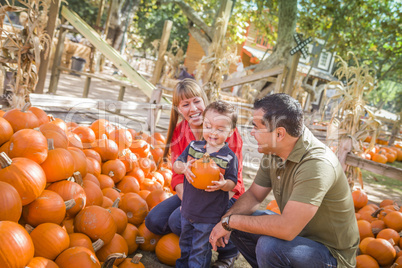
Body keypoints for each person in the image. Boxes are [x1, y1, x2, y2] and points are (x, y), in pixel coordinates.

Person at [209, 93, 359, 268]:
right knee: (232, 211)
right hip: (297, 238)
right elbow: (255, 196)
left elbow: (286, 229)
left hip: (331, 256)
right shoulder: (274, 150)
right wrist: (226, 220)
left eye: (256, 127)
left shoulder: (317, 165)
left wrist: (230, 222)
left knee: (268, 246)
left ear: (279, 134)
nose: (252, 132)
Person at [145, 78, 244, 267]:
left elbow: (234, 182)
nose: (193, 108)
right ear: (178, 109)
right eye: (185, 104)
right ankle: (193, 238)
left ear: (204, 100)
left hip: (222, 194)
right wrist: (189, 204)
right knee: (155, 221)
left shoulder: (226, 133)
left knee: (177, 221)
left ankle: (228, 249)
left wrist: (209, 212)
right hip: (191, 192)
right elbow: (177, 173)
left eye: (196, 101)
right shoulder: (181, 131)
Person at [174, 101, 239, 267]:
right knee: (185, 247)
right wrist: (184, 167)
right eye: (209, 126)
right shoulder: (194, 147)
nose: (213, 132)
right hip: (188, 210)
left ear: (230, 132)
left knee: (199, 251)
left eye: (220, 129)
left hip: (209, 216)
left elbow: (233, 182)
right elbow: (176, 164)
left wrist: (223, 184)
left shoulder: (229, 157)